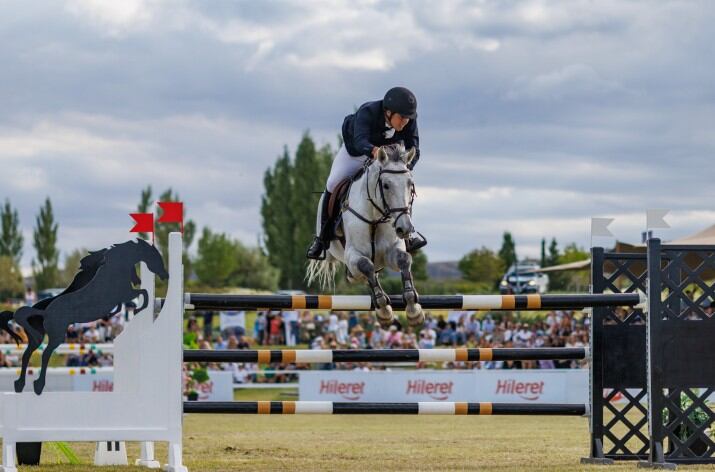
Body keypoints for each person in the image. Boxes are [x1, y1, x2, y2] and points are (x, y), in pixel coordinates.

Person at [306, 86, 425, 260]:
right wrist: (374, 151)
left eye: (408, 119)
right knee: (332, 183)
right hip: (357, 153)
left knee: (401, 187)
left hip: (388, 158)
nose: (405, 122)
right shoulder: (367, 112)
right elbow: (360, 140)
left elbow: (415, 149)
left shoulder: (408, 119)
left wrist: (404, 170)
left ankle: (408, 235)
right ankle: (322, 238)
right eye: (402, 118)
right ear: (389, 112)